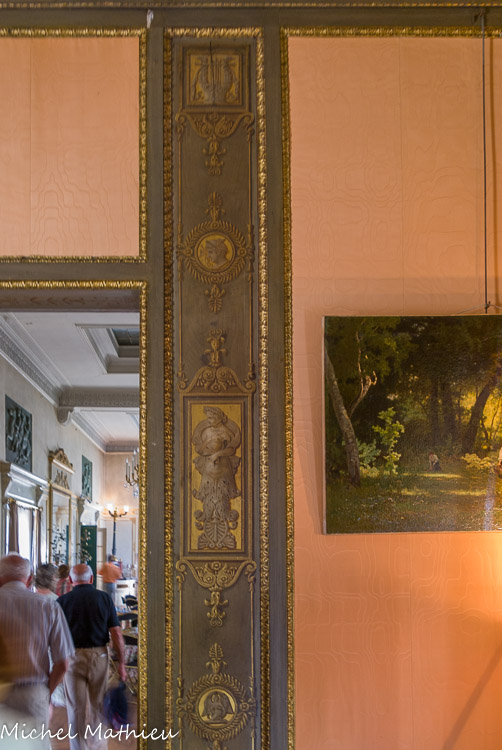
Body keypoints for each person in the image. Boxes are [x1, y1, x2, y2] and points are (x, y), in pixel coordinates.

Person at [0, 554, 74, 748]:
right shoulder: (48, 606)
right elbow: (63, 663)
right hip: (33, 693)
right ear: (29, 579)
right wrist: (46, 693)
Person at [57, 563, 126, 750]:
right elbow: (116, 633)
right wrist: (121, 663)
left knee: (75, 709)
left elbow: (55, 635)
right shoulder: (104, 598)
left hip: (71, 657)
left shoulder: (62, 602)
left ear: (70, 580)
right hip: (99, 655)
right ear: (92, 578)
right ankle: (98, 747)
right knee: (98, 706)